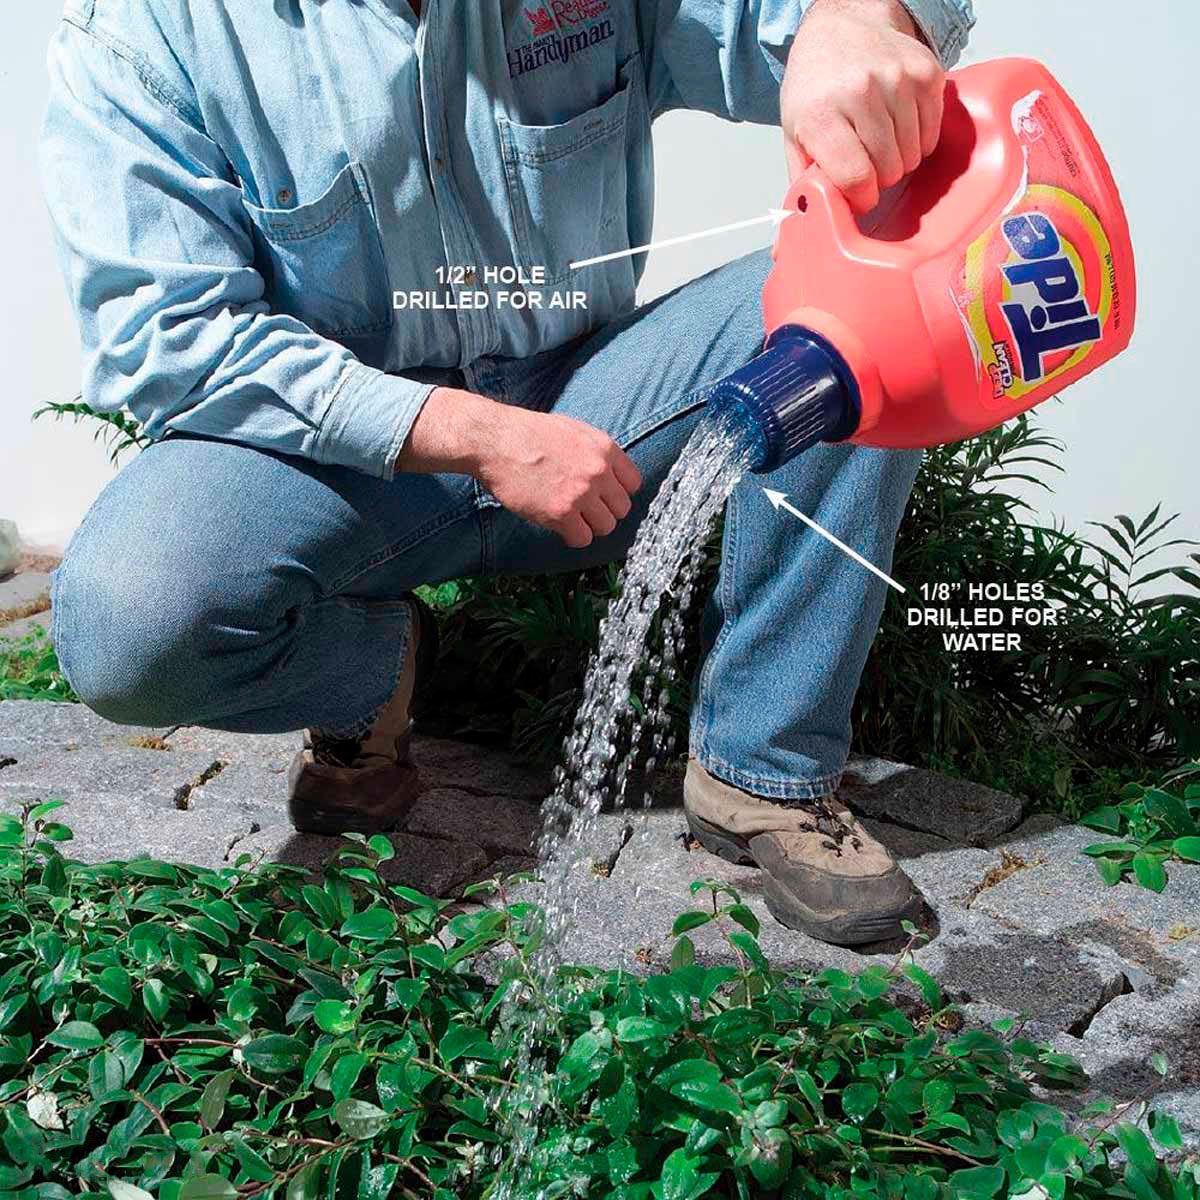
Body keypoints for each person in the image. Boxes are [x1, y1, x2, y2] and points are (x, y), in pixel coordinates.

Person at [39, 0, 974, 946]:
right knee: (129, 622)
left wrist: (859, 16)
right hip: (340, 467)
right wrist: (471, 433)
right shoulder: (147, 32)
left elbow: (786, 28)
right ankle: (372, 674)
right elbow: (167, 341)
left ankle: (763, 769)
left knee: (868, 306)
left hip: (596, 412)